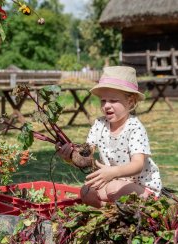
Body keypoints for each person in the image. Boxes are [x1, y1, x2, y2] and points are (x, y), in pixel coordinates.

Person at [58, 66, 162, 208]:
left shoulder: (134, 128)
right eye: (103, 100)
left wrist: (113, 172)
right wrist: (70, 157)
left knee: (113, 189)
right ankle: (111, 214)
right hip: (111, 183)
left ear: (130, 102)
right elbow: (87, 157)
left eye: (113, 100)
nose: (106, 106)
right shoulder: (99, 125)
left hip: (141, 188)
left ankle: (127, 209)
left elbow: (137, 165)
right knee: (86, 191)